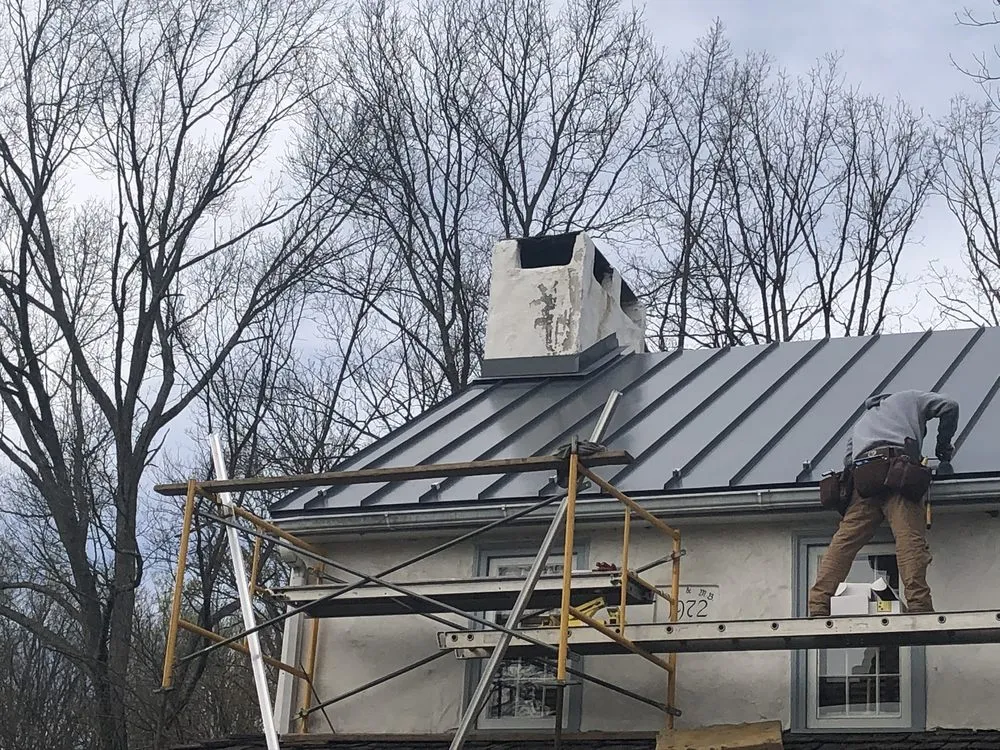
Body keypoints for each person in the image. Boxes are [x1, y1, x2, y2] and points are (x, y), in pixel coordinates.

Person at [808, 390, 959, 617]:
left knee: (845, 542)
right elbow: (950, 406)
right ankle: (919, 605)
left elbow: (849, 460)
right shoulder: (910, 398)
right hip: (898, 471)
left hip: (864, 478)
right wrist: (943, 449)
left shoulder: (863, 422)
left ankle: (818, 604)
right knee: (909, 539)